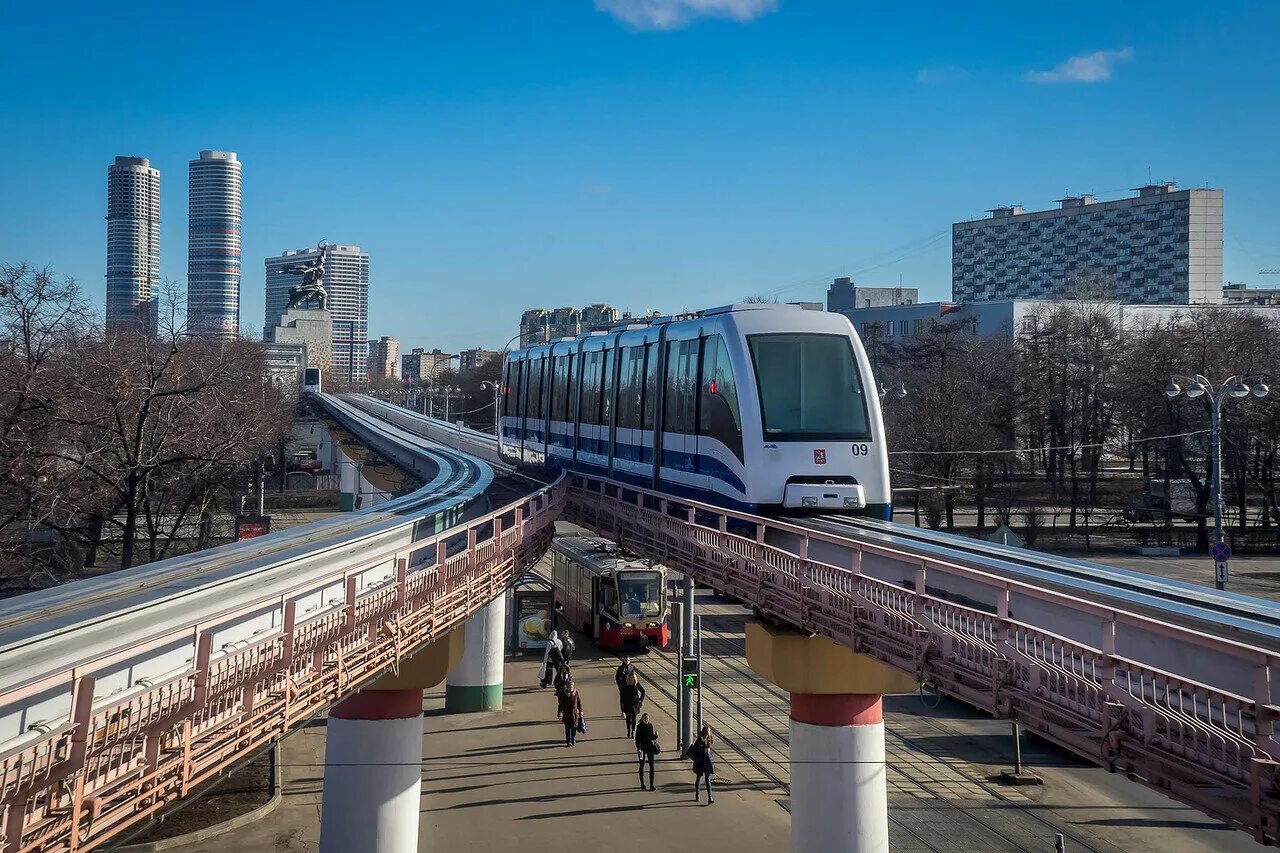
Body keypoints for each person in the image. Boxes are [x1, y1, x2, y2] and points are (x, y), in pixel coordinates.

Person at [687, 724, 715, 804]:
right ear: (706, 732)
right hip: (700, 761)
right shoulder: (700, 739)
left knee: (707, 779)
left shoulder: (709, 738)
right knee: (698, 778)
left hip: (707, 761)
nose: (710, 732)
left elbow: (711, 744)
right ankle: (697, 794)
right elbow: (696, 748)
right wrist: (703, 748)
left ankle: (710, 797)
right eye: (709, 731)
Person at [635, 712, 659, 791]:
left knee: (651, 766)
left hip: (650, 749)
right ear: (642, 719)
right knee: (641, 765)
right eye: (645, 718)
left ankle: (652, 784)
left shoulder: (650, 726)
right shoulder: (639, 727)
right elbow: (637, 739)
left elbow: (652, 737)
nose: (646, 720)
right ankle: (642, 783)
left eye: (647, 718)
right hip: (642, 749)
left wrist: (656, 736)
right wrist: (639, 749)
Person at [557, 677, 583, 747]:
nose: (570, 688)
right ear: (567, 687)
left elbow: (579, 702)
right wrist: (559, 713)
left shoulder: (575, 693)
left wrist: (580, 711)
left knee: (574, 728)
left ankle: (573, 739)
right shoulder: (564, 694)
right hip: (567, 715)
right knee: (567, 729)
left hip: (574, 715)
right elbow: (560, 705)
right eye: (569, 687)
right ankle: (568, 741)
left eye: (571, 687)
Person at [619, 671, 646, 739]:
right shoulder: (625, 685)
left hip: (635, 704)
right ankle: (628, 730)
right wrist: (622, 704)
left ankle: (633, 731)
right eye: (630, 678)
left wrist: (640, 700)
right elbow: (622, 695)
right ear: (628, 679)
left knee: (634, 718)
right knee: (628, 718)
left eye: (632, 678)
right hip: (627, 704)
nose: (631, 680)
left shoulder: (637, 685)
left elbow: (643, 691)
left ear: (634, 678)